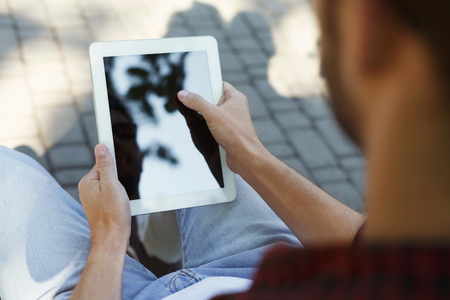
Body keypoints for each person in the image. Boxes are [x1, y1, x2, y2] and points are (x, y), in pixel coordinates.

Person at [1, 0, 450, 299]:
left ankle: (146, 246)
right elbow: (365, 245)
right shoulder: (417, 265)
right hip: (249, 267)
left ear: (368, 27)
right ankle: (159, 240)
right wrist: (251, 155)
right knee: (210, 157)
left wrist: (109, 240)